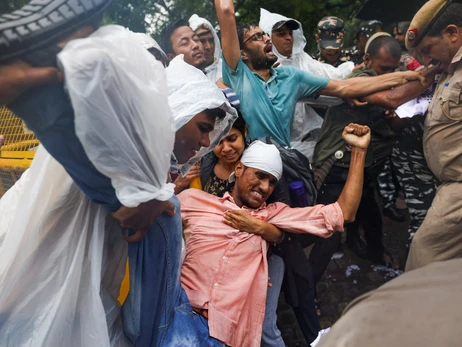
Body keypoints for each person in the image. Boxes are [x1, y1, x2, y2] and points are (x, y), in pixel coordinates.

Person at [178, 122, 371, 347]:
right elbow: (146, 219)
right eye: (259, 175)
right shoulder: (195, 201)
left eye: (271, 182)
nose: (265, 187)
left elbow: (344, 213)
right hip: (179, 318)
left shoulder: (271, 216)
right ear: (239, 169)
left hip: (226, 335)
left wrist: (358, 151)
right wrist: (176, 186)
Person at [214, 0, 424, 151]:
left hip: (284, 165)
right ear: (241, 53)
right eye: (257, 37)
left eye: (266, 34)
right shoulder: (238, 76)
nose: (267, 39)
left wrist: (401, 77)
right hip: (250, 166)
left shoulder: (291, 76)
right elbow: (225, 11)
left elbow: (345, 88)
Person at [313, 34, 404, 268]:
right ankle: (309, 286)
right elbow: (391, 99)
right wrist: (425, 76)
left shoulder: (387, 81)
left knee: (367, 208)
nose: (389, 75)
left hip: (360, 161)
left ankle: (369, 249)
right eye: (384, 68)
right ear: (367, 59)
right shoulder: (360, 79)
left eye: (394, 69)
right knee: (329, 222)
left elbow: (393, 124)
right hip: (335, 161)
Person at [404, 0, 462, 271]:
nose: (426, 59)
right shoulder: (449, 68)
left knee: (424, 255)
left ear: (452, 33)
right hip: (448, 185)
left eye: (427, 49)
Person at [259, 8, 354, 161]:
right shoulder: (261, 67)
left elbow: (329, 76)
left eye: (290, 33)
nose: (288, 38)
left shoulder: (300, 59)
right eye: (281, 34)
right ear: (267, 38)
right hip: (272, 147)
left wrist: (354, 70)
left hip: (305, 140)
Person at [189, 14, 223, 83]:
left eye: (211, 40)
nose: (209, 47)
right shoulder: (185, 75)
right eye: (202, 41)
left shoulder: (226, 69)